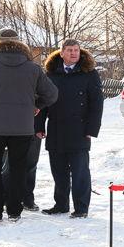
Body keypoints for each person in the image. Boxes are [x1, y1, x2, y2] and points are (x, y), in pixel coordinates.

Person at [0, 28, 58, 222]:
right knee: (19, 168)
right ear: (20, 46)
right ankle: (15, 211)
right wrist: (37, 105)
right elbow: (51, 94)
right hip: (22, 127)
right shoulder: (33, 68)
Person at [35, 39, 103, 218]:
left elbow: (97, 104)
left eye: (76, 50)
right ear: (61, 53)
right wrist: (39, 125)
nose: (74, 53)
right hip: (56, 129)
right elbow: (42, 102)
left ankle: (81, 208)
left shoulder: (89, 74)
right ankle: (61, 204)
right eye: (70, 50)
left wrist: (92, 128)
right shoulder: (50, 74)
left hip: (79, 130)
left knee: (80, 172)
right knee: (59, 170)